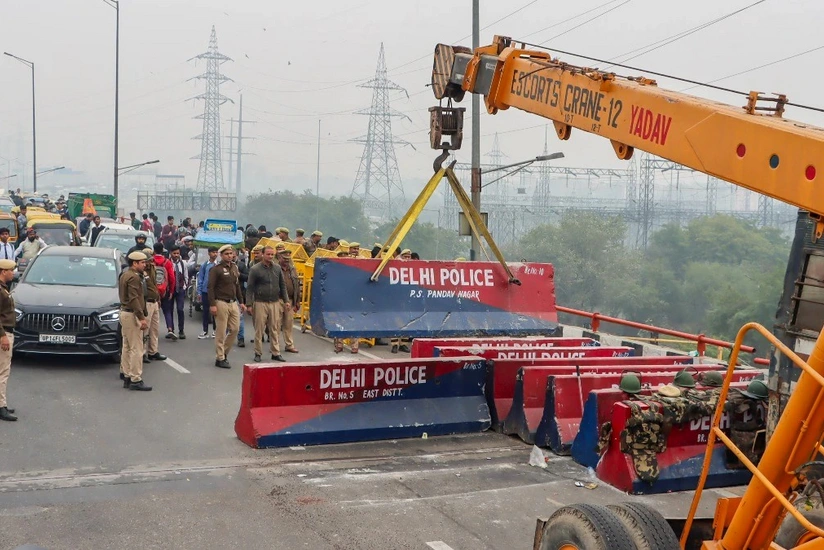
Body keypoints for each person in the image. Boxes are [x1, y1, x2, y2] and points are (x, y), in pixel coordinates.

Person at [246, 245, 288, 363]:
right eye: (268, 254)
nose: (270, 256)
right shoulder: (255, 269)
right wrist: (249, 304)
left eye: (272, 254)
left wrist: (286, 301)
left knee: (274, 329)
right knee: (259, 329)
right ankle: (258, 353)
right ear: (263, 254)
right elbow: (249, 288)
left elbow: (282, 286)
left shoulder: (277, 268)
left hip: (274, 302)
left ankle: (276, 353)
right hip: (260, 302)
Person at [208, 244, 245, 369]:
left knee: (235, 329)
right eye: (226, 254)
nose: (229, 256)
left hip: (233, 302)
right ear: (221, 255)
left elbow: (237, 285)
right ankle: (220, 358)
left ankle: (223, 353)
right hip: (220, 302)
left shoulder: (234, 267)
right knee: (221, 331)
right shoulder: (216, 269)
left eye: (231, 253)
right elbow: (210, 288)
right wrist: (212, 304)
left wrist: (242, 302)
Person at [119, 252, 152, 391]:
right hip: (132, 314)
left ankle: (127, 375)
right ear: (135, 263)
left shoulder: (125, 274)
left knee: (127, 347)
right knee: (137, 349)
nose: (145, 265)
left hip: (124, 312)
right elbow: (134, 299)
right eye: (142, 262)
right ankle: (135, 379)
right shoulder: (133, 277)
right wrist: (141, 318)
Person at [143, 245, 169, 362]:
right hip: (146, 303)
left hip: (154, 301)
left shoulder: (153, 268)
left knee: (154, 329)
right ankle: (143, 353)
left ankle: (153, 351)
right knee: (145, 330)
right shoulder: (140, 272)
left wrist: (158, 299)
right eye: (147, 261)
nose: (149, 262)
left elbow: (154, 285)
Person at [0, 259, 17, 420]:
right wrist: (3, 336)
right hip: (4, 333)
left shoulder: (4, 288)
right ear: (3, 272)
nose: (13, 273)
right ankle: (1, 406)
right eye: (11, 270)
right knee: (3, 371)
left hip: (5, 332)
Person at [277, 248, 300, 354]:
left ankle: (289, 345)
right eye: (284, 258)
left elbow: (296, 286)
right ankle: (275, 345)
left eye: (288, 258)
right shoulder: (275, 269)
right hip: (277, 300)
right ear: (279, 258)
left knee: (288, 324)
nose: (286, 260)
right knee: (276, 324)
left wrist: (297, 301)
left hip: (290, 301)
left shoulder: (293, 269)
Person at [164, 244, 188, 340]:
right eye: (174, 253)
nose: (176, 255)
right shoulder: (167, 263)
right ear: (170, 253)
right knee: (169, 310)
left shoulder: (183, 264)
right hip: (170, 290)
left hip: (180, 289)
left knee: (180, 309)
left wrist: (185, 286)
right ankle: (171, 330)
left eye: (178, 253)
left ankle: (181, 330)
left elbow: (186, 275)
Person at [197, 246, 219, 339]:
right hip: (205, 292)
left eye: (216, 252)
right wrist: (199, 292)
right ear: (209, 253)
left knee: (216, 312)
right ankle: (205, 330)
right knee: (205, 311)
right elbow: (200, 279)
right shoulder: (204, 265)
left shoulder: (219, 265)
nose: (215, 254)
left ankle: (215, 330)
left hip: (217, 292)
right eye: (213, 252)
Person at [234, 248, 249, 348]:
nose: (230, 256)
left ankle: (241, 338)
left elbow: (247, 277)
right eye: (228, 253)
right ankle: (227, 338)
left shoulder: (241, 265)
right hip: (226, 296)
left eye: (232, 253)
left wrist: (239, 275)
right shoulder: (221, 266)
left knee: (240, 318)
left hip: (239, 294)